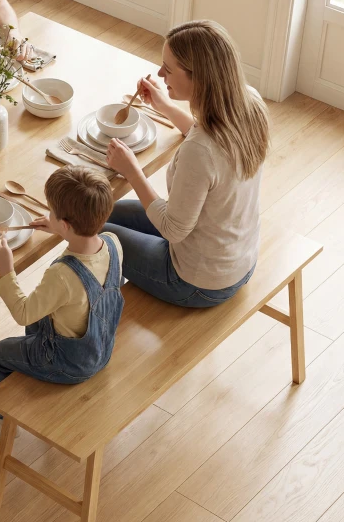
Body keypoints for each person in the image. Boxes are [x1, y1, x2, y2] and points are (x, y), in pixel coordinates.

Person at [103, 20, 269, 308]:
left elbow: (173, 229)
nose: (159, 73)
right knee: (105, 211)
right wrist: (165, 107)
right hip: (236, 259)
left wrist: (132, 171)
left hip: (197, 282)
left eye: (168, 68)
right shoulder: (249, 102)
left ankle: (101, 315)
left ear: (198, 77)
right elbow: (207, 140)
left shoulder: (200, 149)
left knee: (99, 234)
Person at [0, 166, 124, 442]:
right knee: (44, 312)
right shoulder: (112, 243)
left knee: (0, 352)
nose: (49, 215)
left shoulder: (63, 274)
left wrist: (6, 270)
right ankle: (34, 364)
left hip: (69, 363)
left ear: (66, 223)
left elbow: (23, 313)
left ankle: (4, 422)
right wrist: (60, 230)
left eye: (53, 214)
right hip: (102, 346)